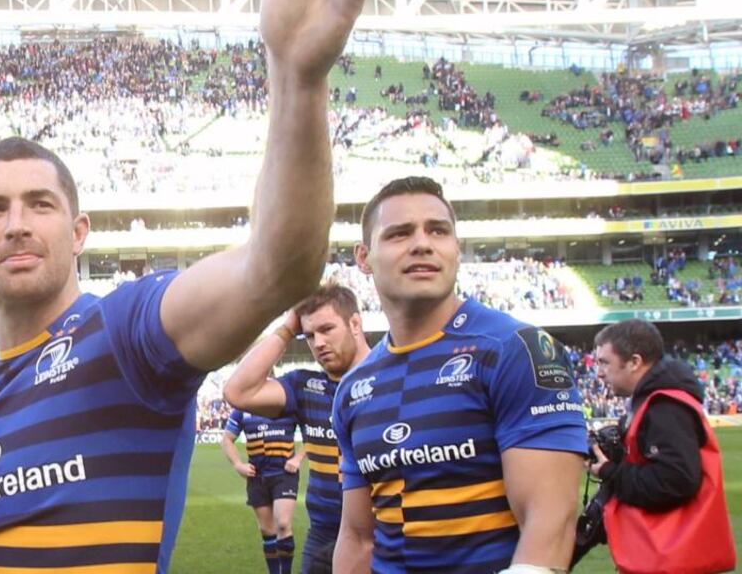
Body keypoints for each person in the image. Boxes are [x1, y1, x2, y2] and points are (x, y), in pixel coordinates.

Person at [0, 1, 364, 571]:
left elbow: (277, 268)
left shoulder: (125, 332)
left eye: (40, 204)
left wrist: (297, 79)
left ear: (79, 231)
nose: (16, 224)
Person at [332, 177, 588, 573]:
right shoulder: (353, 390)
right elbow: (358, 536)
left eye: (438, 230)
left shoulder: (516, 350)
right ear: (363, 258)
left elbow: (549, 524)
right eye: (400, 233)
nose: (422, 243)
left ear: (457, 249)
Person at [223, 284, 370, 572]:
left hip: (381, 532)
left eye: (327, 329)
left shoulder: (389, 374)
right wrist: (289, 327)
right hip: (324, 530)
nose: (318, 343)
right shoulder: (305, 387)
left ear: (355, 323)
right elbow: (237, 392)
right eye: (310, 335)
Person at [589, 320, 736, 574]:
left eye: (604, 362)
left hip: (672, 561)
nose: (598, 373)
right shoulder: (653, 400)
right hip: (667, 559)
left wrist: (611, 472)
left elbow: (675, 480)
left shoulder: (664, 406)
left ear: (634, 362)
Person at [221, 408, 302, 574]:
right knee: (267, 530)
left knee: (283, 523)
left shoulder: (288, 405)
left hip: (284, 474)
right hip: (257, 476)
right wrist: (238, 465)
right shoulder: (243, 409)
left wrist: (298, 458)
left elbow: (313, 434)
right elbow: (227, 439)